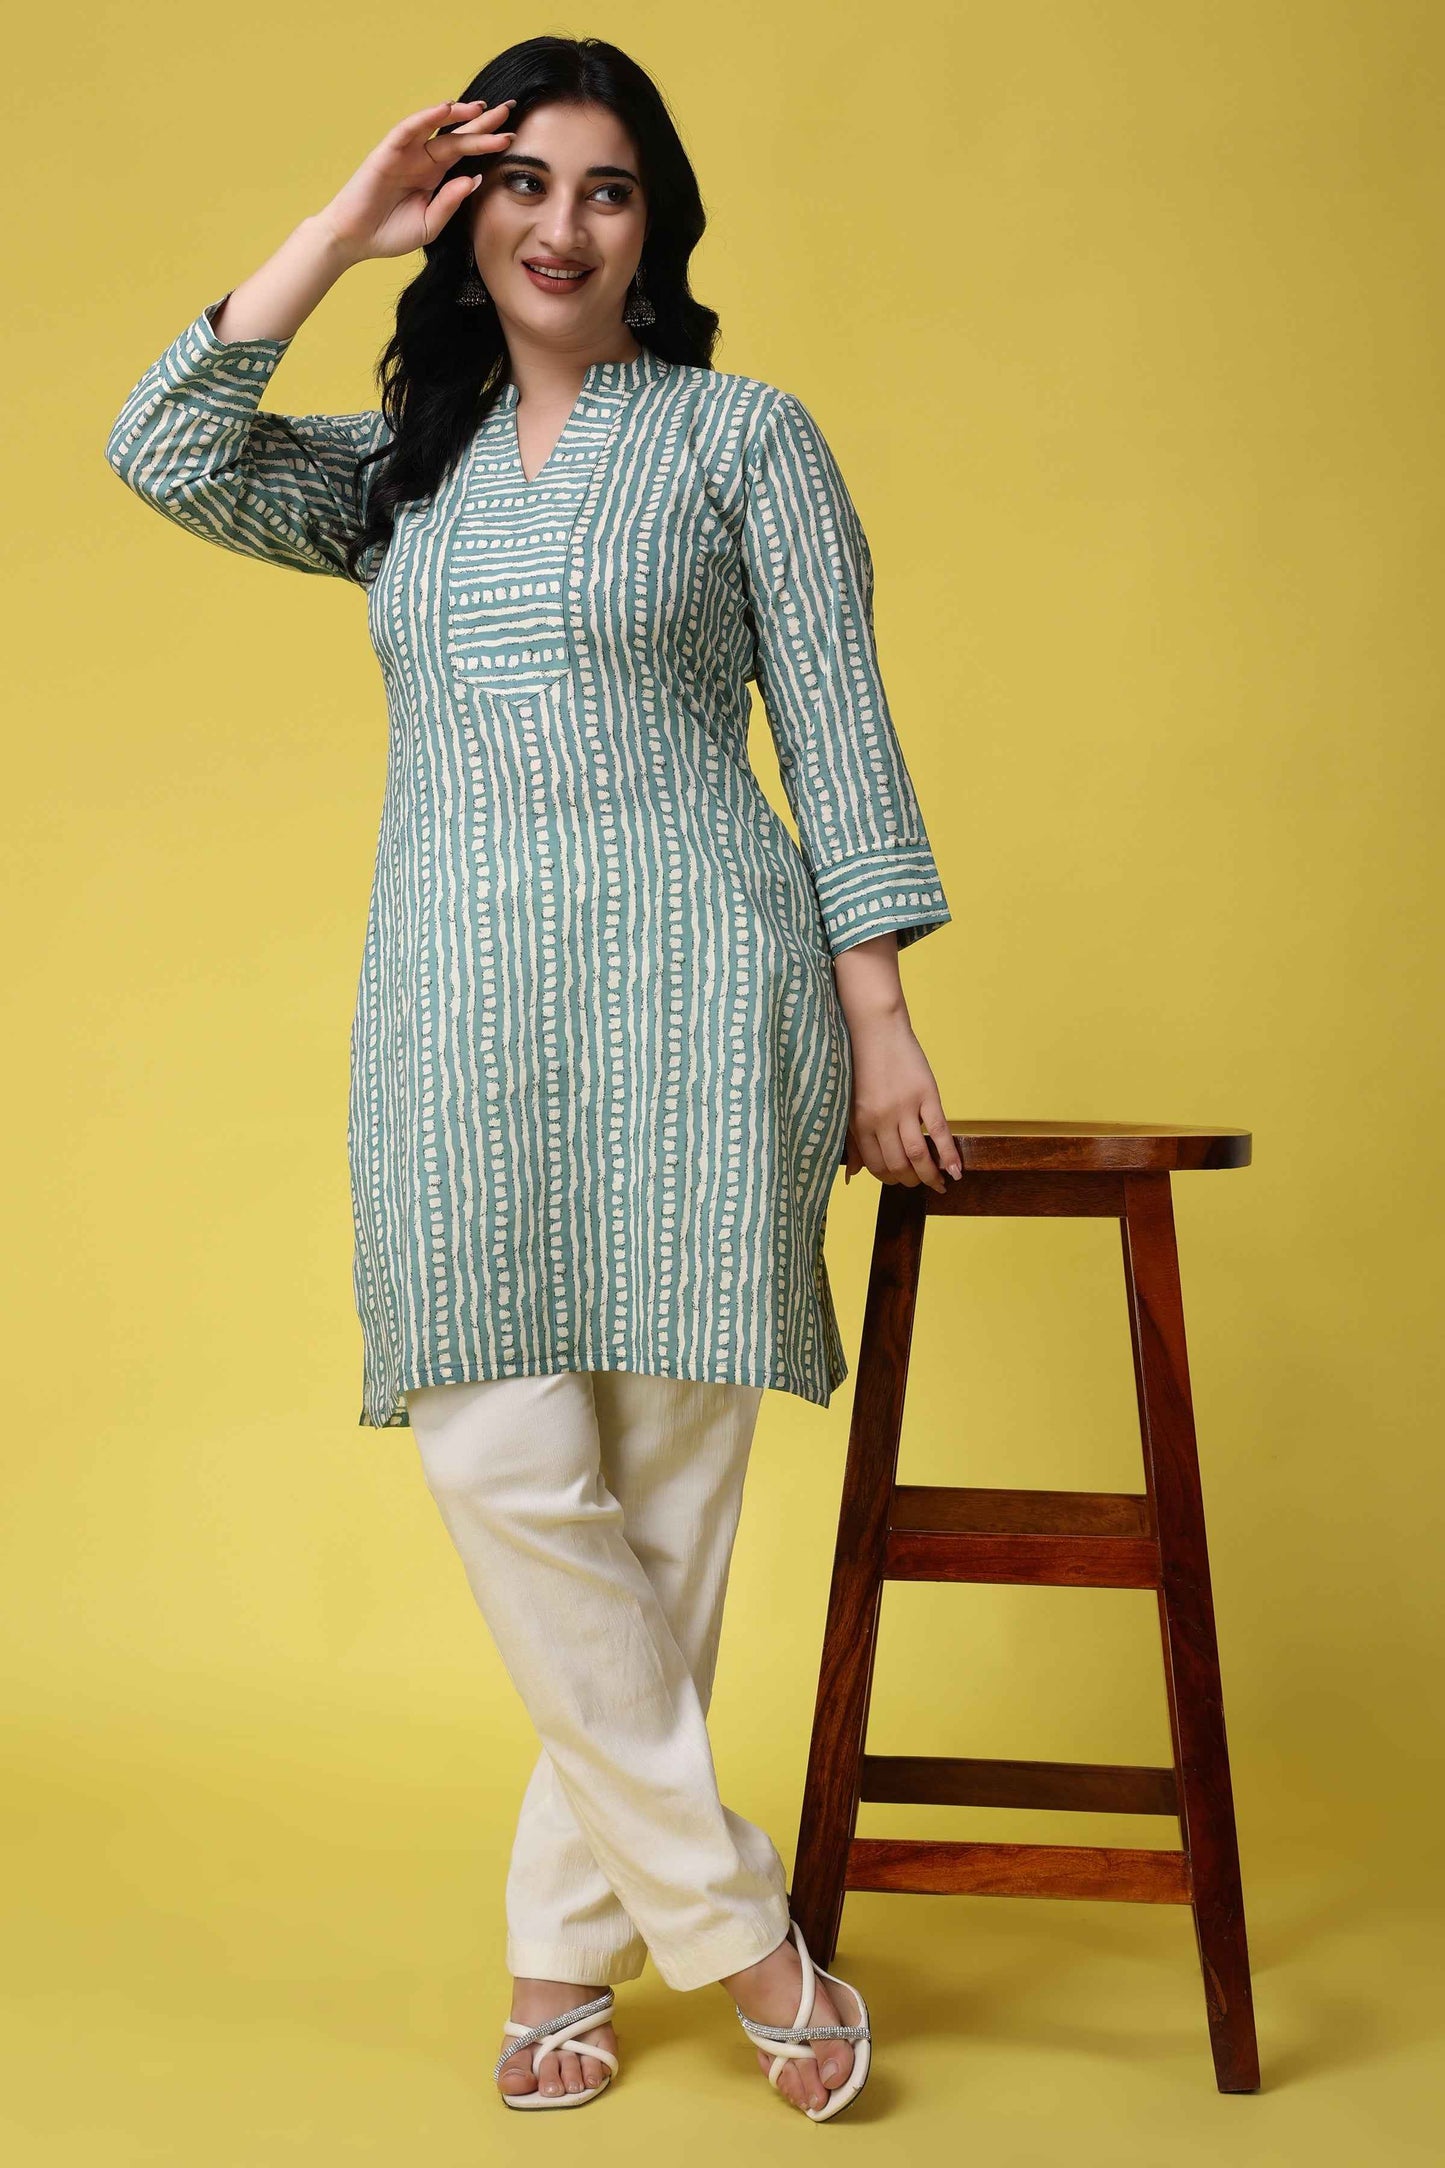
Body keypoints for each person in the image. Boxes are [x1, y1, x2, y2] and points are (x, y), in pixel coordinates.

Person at [104, 33, 960, 2121]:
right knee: (503, 1467)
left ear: (655, 224)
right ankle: (744, 1936)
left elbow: (836, 726)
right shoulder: (403, 470)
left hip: (705, 1000)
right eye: (521, 184)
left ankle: (555, 1964)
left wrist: (878, 1024)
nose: (561, 226)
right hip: (456, 1012)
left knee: (662, 1513)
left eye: (605, 187)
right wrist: (342, 222)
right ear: (465, 213)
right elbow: (161, 443)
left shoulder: (743, 437)